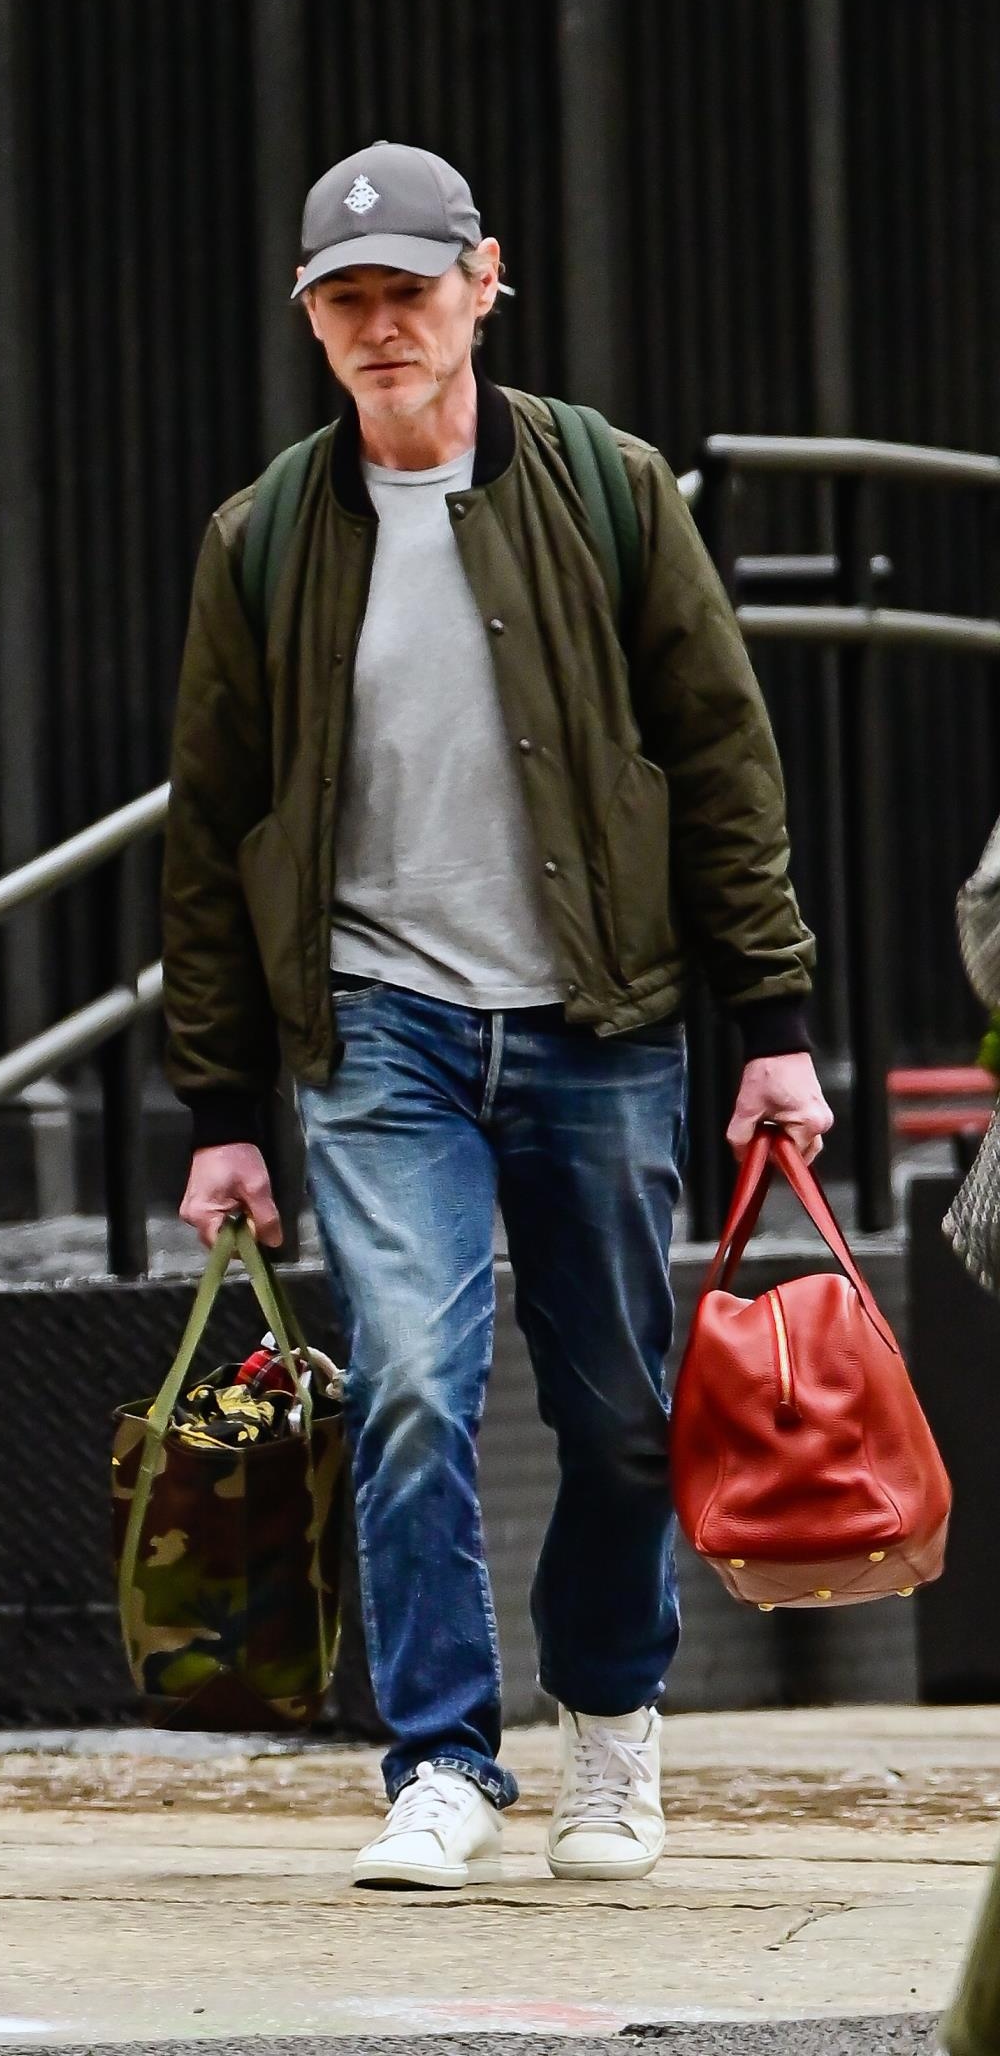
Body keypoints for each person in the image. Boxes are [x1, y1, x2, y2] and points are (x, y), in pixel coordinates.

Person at [162, 141, 832, 1890]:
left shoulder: (607, 488)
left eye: (409, 288)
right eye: (346, 298)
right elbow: (213, 832)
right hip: (378, 1027)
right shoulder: (264, 539)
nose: (382, 324)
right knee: (405, 1385)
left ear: (484, 283)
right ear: (312, 322)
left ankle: (609, 1733)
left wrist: (771, 1023)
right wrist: (222, 1106)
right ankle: (443, 1758)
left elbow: (722, 762)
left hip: (597, 1019)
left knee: (617, 1409)